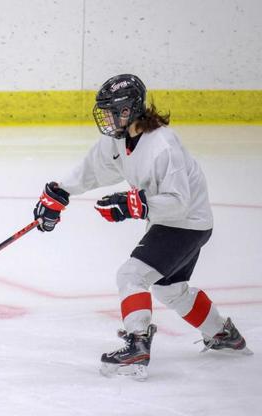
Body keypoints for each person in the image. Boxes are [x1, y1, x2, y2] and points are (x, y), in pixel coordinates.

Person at [33, 74, 252, 380]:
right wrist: (62, 192)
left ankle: (137, 344)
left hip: (185, 222)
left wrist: (133, 204)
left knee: (131, 275)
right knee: (171, 290)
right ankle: (224, 335)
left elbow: (180, 202)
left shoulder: (163, 146)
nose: (106, 118)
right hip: (176, 222)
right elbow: (93, 169)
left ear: (128, 110)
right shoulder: (118, 139)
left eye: (112, 110)